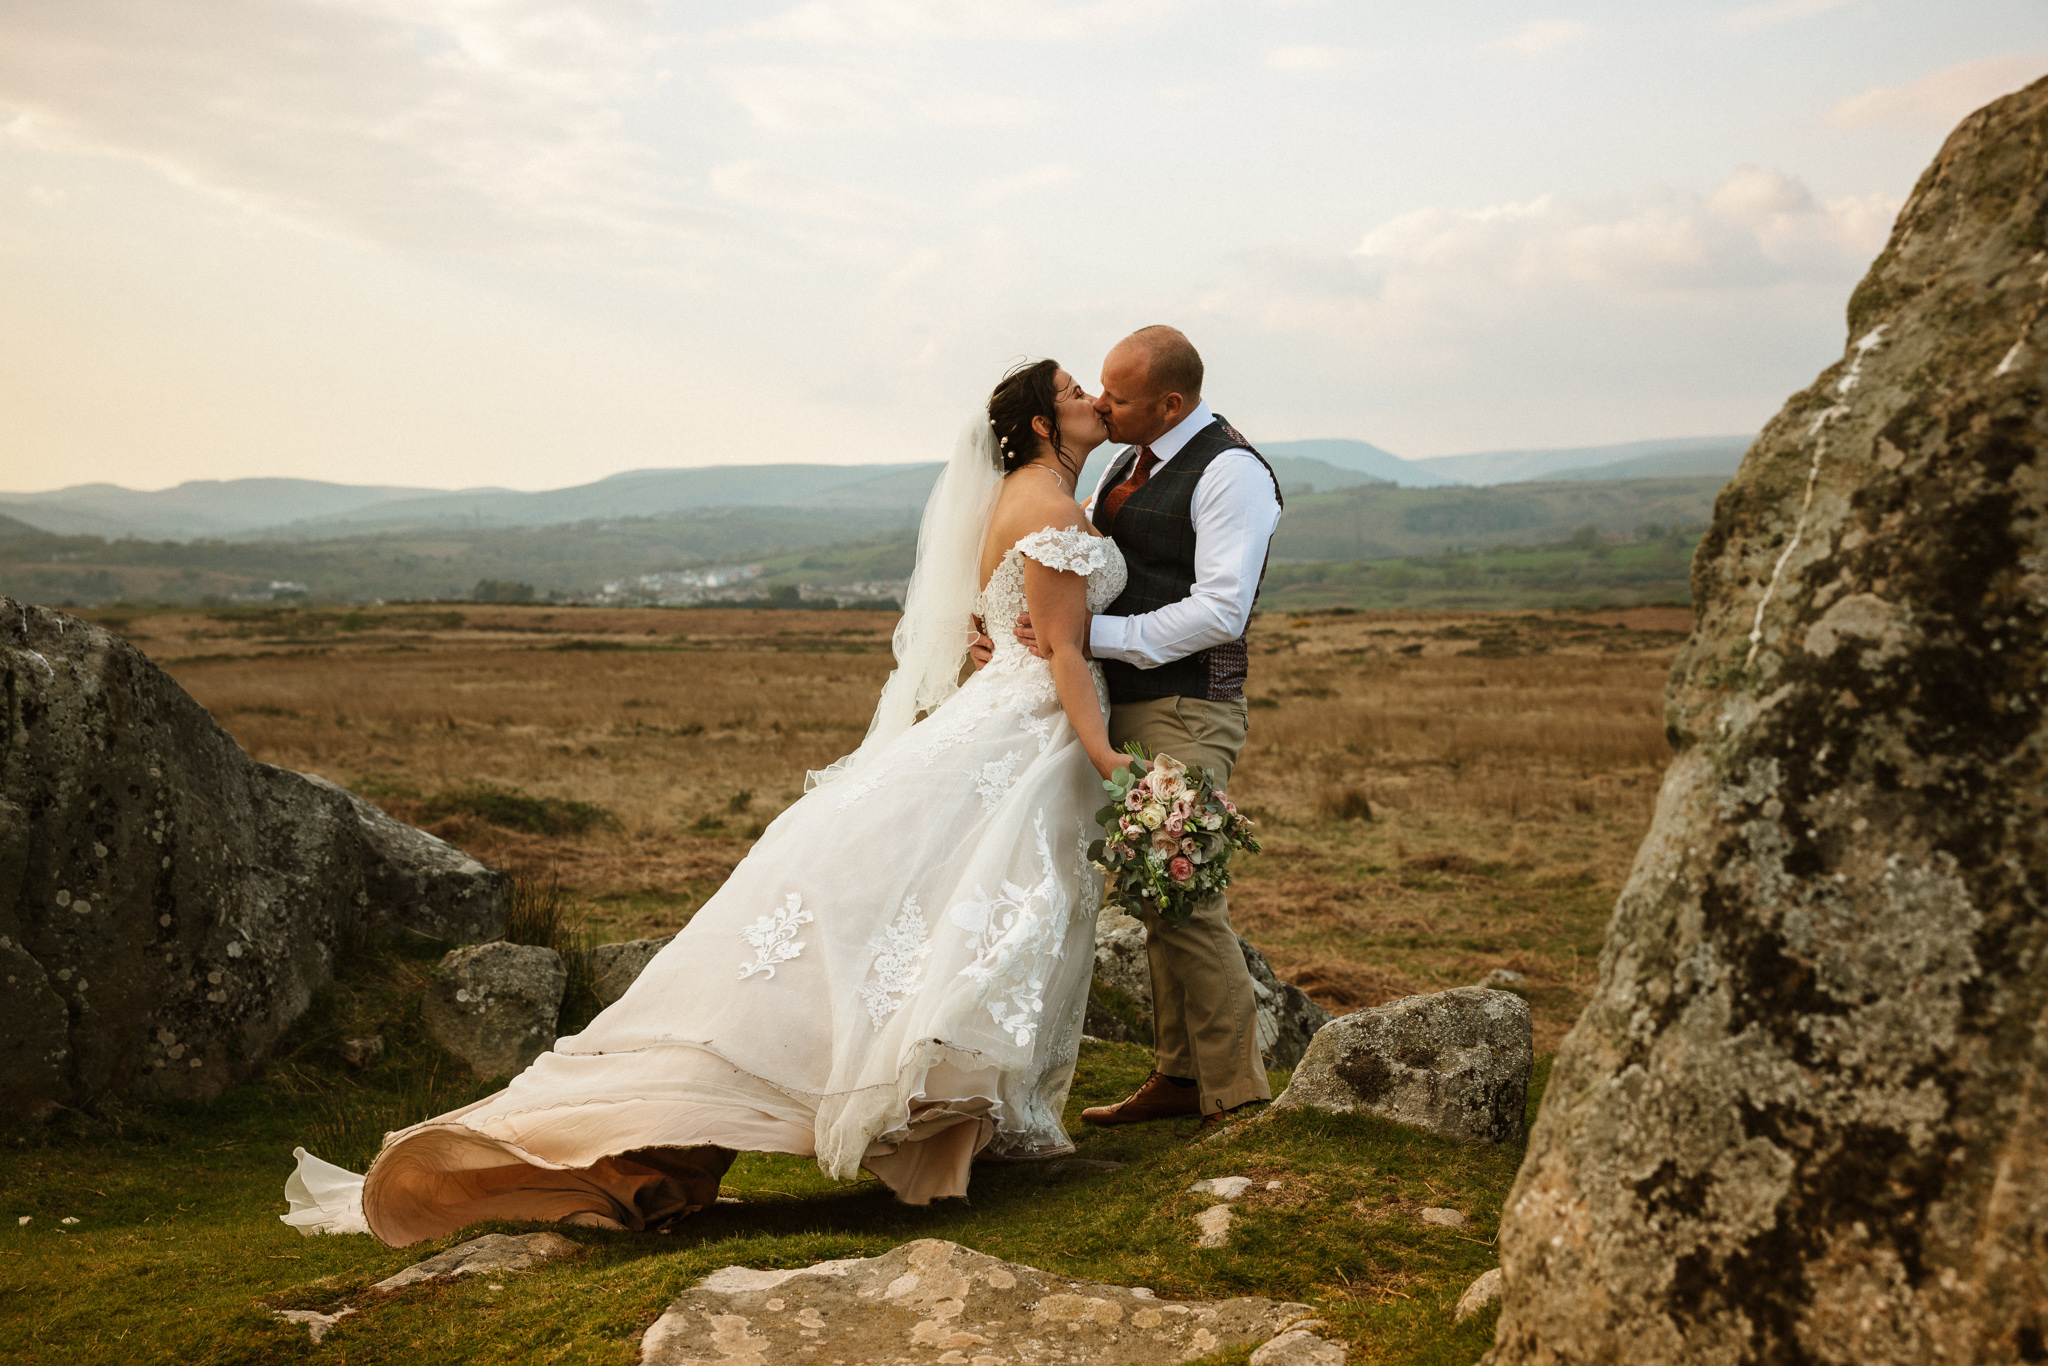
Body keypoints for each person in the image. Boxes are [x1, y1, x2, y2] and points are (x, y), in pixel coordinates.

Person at [281, 359, 1130, 1245]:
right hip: (1030, 728)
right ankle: (956, 1127)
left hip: (1005, 721)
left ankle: (963, 1130)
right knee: (983, 911)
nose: (1091, 401)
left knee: (957, 911)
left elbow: (1003, 623)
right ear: (1039, 424)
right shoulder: (1054, 507)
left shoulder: (1010, 502)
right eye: (1074, 393)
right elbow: (1063, 653)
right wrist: (1107, 753)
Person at [974, 325, 1283, 1132]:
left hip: (1187, 705)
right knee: (1154, 893)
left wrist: (1079, 642)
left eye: (1119, 396)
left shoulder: (1231, 473)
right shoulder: (1124, 459)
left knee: (1182, 887)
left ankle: (1239, 1092)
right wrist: (1014, 627)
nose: (1104, 406)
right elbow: (1059, 571)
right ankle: (1179, 1076)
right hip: (1116, 699)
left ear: (1170, 403)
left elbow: (1221, 609)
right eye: (1097, 390)